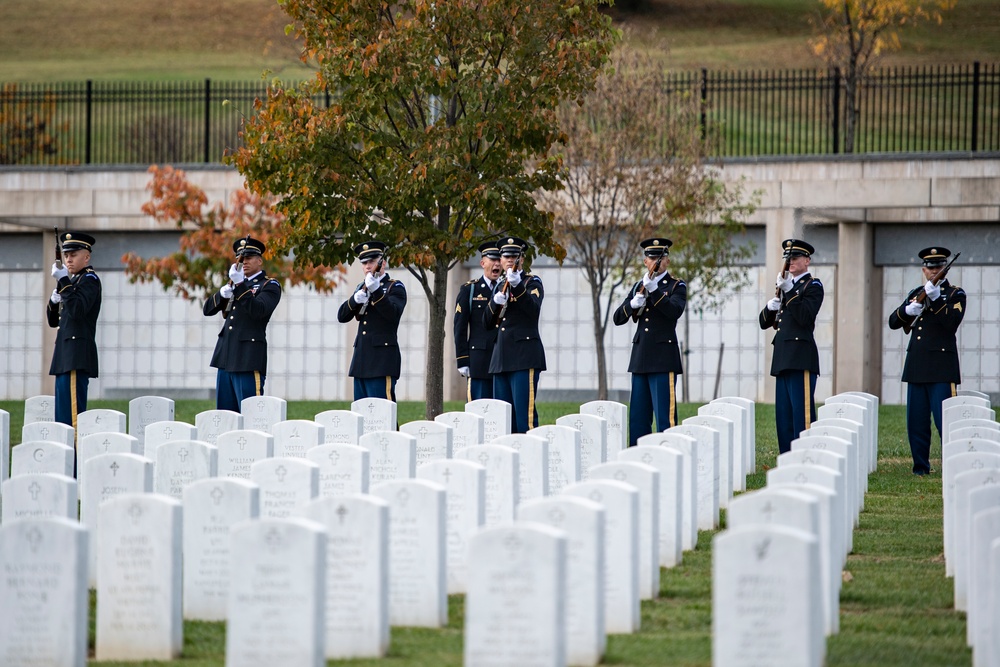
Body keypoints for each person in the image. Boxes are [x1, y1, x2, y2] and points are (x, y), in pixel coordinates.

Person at [888, 246, 965, 476]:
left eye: (939, 267)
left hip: (941, 368)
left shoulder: (955, 294)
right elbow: (893, 321)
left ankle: (952, 466)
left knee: (946, 422)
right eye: (930, 268)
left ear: (944, 268)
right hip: (917, 366)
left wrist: (936, 299)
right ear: (924, 270)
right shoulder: (916, 292)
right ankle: (920, 467)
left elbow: (951, 324)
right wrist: (908, 310)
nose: (934, 272)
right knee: (917, 423)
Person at [613, 238, 687, 447]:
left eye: (660, 257)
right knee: (638, 419)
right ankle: (638, 460)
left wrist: (654, 291)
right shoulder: (639, 285)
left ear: (667, 261)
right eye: (652, 257)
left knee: (665, 419)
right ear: (645, 261)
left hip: (663, 359)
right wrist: (632, 304)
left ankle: (669, 459)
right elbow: (618, 318)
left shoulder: (676, 286)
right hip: (640, 358)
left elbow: (674, 311)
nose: (656, 261)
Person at [758, 238, 824, 455]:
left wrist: (790, 292)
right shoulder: (787, 287)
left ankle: (806, 457)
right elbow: (763, 322)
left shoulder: (812, 285)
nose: (790, 262)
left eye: (794, 258)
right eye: (787, 258)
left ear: (807, 260)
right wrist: (770, 306)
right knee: (784, 418)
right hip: (783, 357)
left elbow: (805, 318)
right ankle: (786, 459)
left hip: (800, 356)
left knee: (802, 415)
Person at [203, 236, 282, 412]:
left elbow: (258, 310)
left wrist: (239, 285)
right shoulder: (236, 284)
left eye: (249, 257)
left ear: (259, 260)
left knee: (250, 414)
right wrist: (221, 295)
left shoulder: (269, 285)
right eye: (241, 258)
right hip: (225, 357)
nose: (244, 262)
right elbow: (207, 310)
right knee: (225, 415)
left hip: (248, 358)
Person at [483, 237, 546, 433]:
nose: (509, 260)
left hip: (524, 357)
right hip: (502, 358)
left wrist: (518, 287)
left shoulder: (531, 282)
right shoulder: (498, 285)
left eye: (513, 256)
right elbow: (487, 323)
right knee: (503, 422)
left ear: (522, 259)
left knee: (524, 420)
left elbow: (533, 310)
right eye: (505, 256)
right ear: (500, 260)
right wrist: (495, 303)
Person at [47, 231, 101, 436]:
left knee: (73, 420)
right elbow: (54, 322)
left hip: (76, 356)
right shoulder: (73, 282)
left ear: (86, 257)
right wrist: (53, 301)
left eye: (74, 254)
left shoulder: (89, 280)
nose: (68, 258)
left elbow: (78, 310)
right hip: (64, 356)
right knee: (62, 420)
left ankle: (75, 464)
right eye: (66, 254)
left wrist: (64, 283)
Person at [338, 240, 407, 401]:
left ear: (382, 263)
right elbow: (342, 316)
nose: (368, 266)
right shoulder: (361, 287)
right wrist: (355, 300)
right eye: (364, 263)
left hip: (382, 361)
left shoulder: (394, 287)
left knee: (383, 415)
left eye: (372, 261)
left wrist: (376, 291)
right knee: (363, 417)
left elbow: (393, 314)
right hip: (361, 361)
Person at [454, 240, 503, 401]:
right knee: (479, 409)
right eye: (493, 260)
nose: (497, 264)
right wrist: (462, 359)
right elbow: (460, 327)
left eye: (499, 260)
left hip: (503, 358)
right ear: (483, 263)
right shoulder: (470, 289)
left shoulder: (507, 288)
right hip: (479, 360)